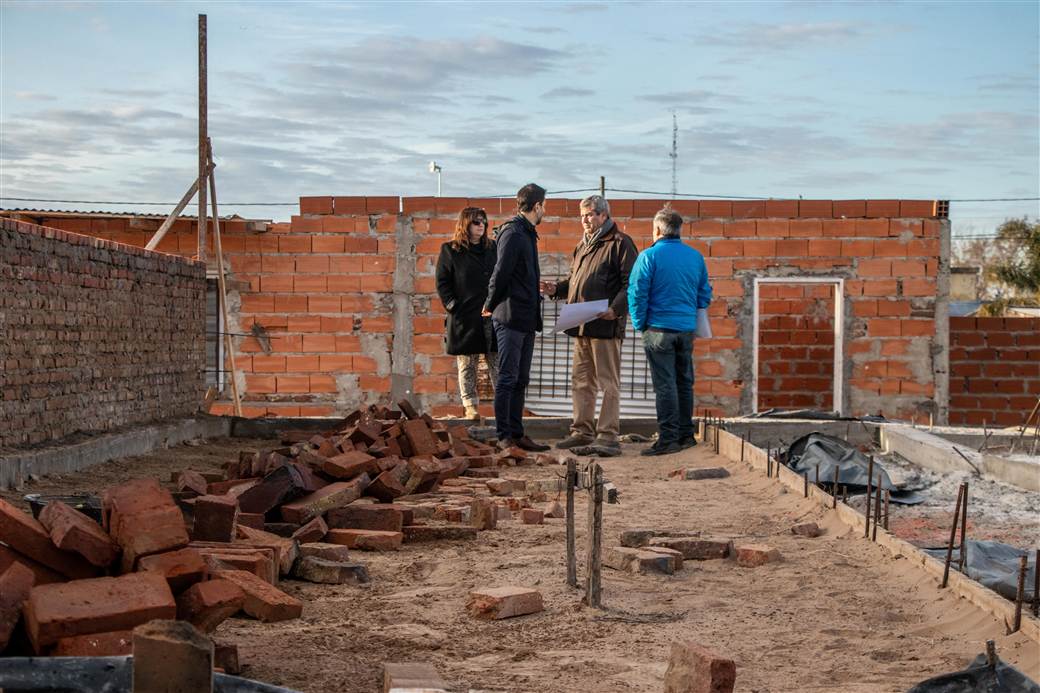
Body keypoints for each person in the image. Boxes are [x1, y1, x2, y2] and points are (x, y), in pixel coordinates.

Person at [543, 195, 638, 457]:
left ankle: (607, 435)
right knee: (582, 381)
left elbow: (631, 284)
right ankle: (581, 431)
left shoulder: (620, 243)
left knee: (608, 382)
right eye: (583, 215)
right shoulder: (583, 245)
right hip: (581, 322)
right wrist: (556, 289)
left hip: (605, 324)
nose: (586, 219)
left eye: (592, 214)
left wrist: (615, 309)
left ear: (604, 216)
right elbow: (575, 280)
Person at [627, 208, 713, 456]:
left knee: (665, 385)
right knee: (684, 382)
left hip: (658, 329)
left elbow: (637, 292)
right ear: (679, 230)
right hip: (686, 330)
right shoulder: (695, 257)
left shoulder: (649, 257)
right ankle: (686, 435)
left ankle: (668, 440)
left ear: (656, 230)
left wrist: (640, 324)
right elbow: (704, 294)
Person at [482, 183, 550, 452]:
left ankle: (517, 433)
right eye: (544, 205)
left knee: (521, 378)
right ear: (536, 206)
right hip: (510, 316)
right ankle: (504, 437)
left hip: (526, 317)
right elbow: (501, 273)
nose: (544, 210)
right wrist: (489, 303)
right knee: (508, 378)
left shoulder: (528, 233)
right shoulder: (513, 232)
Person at [435, 207, 498, 421]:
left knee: (497, 363)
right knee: (467, 365)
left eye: (484, 222)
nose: (481, 225)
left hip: (492, 315)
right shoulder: (451, 250)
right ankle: (470, 407)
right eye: (476, 222)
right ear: (465, 224)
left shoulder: (493, 248)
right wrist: (453, 305)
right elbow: (442, 282)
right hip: (466, 316)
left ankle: (504, 405)